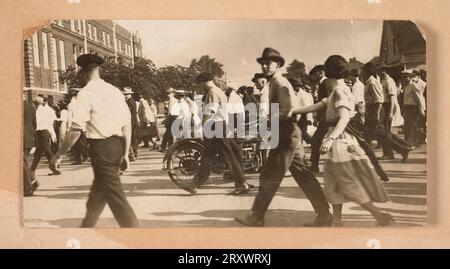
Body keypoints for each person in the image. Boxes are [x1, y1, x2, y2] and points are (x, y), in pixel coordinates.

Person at [288, 55, 394, 227]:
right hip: (340, 142)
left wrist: (330, 139)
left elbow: (344, 118)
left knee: (347, 183)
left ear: (328, 73)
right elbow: (319, 105)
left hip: (341, 143)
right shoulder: (339, 89)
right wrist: (293, 111)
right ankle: (337, 220)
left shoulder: (339, 91)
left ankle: (379, 216)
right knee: (334, 183)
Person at [235, 48, 331, 227]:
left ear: (278, 64)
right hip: (287, 132)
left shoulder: (280, 83)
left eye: (269, 62)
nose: (265, 66)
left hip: (286, 132)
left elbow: (288, 111)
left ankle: (256, 216)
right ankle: (324, 213)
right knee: (303, 174)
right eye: (263, 63)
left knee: (269, 175)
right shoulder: (274, 83)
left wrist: (269, 119)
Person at [50, 54, 139, 228]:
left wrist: (59, 155)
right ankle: (86, 228)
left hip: (101, 149)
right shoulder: (115, 91)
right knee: (98, 195)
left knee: (116, 198)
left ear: (82, 72)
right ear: (100, 69)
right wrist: (126, 152)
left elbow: (76, 129)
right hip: (117, 146)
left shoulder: (85, 94)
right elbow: (126, 123)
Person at [186, 72, 251, 195]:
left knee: (226, 156)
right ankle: (195, 184)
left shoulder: (212, 92)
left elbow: (209, 113)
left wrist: (201, 128)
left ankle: (242, 183)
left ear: (205, 82)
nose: (200, 86)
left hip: (215, 126)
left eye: (200, 84)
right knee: (221, 154)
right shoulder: (220, 91)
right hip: (222, 125)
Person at [362, 63, 411, 162]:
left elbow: (379, 100)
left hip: (376, 110)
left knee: (381, 134)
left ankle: (403, 149)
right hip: (372, 109)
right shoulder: (370, 82)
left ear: (368, 72)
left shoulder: (372, 83)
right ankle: (403, 147)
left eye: (364, 71)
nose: (362, 73)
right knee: (377, 134)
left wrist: (376, 114)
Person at [308, 65, 330, 172]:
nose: (314, 76)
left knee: (316, 140)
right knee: (317, 139)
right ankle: (314, 162)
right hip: (327, 116)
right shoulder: (323, 84)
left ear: (321, 72)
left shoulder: (325, 84)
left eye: (315, 73)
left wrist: (319, 117)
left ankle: (314, 164)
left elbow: (325, 102)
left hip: (327, 116)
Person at [31, 96, 60, 176]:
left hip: (41, 132)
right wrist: (52, 133)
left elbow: (41, 124)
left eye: (34, 103)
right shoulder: (44, 110)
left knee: (47, 151)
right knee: (38, 152)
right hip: (44, 132)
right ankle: (32, 170)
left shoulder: (39, 111)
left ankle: (56, 167)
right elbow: (50, 123)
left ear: (36, 104)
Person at [402, 70, 426, 147]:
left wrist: (421, 109)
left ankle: (420, 138)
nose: (405, 78)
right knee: (407, 126)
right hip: (407, 107)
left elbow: (419, 97)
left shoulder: (413, 85)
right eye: (404, 77)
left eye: (407, 77)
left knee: (413, 126)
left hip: (413, 108)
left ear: (410, 77)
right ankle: (409, 141)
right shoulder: (406, 86)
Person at [289, 78, 313, 144]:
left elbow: (308, 107)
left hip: (304, 115)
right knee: (298, 131)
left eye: (296, 86)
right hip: (297, 115)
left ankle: (313, 142)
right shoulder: (294, 94)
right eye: (294, 86)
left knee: (302, 131)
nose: (295, 88)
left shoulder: (304, 94)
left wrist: (309, 118)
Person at [23, 94, 39, 196]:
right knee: (23, 162)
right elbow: (34, 124)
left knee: (21, 163)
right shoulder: (31, 107)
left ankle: (28, 187)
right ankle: (32, 181)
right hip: (29, 137)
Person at [160, 88, 179, 152]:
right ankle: (168, 146)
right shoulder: (172, 100)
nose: (168, 95)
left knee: (168, 133)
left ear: (173, 93)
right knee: (169, 133)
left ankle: (165, 146)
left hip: (173, 117)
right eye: (167, 93)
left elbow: (171, 112)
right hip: (172, 117)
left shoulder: (173, 101)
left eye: (169, 93)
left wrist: (166, 119)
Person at [123, 87, 138, 161]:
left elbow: (128, 112)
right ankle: (134, 152)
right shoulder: (131, 101)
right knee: (132, 137)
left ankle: (133, 153)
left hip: (131, 121)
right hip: (133, 121)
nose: (125, 95)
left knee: (131, 137)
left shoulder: (129, 102)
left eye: (126, 94)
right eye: (125, 94)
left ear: (129, 94)